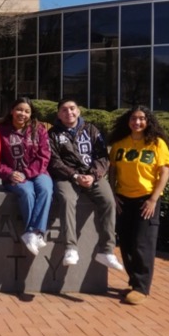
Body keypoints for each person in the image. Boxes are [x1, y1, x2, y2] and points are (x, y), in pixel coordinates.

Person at [107, 106, 169, 305]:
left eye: (141, 119)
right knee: (126, 244)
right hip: (123, 199)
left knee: (142, 244)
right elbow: (112, 171)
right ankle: (134, 282)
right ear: (128, 121)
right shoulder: (119, 144)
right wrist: (113, 194)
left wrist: (153, 199)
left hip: (146, 200)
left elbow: (165, 173)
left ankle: (142, 288)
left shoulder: (156, 144)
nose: (137, 122)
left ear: (148, 121)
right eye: (133, 119)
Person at [48, 99, 125, 271]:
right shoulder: (53, 134)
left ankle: (106, 251)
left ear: (79, 111)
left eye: (72, 108)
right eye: (64, 110)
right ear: (59, 114)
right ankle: (70, 247)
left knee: (108, 201)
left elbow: (103, 156)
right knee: (67, 199)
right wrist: (74, 175)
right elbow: (54, 162)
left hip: (92, 176)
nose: (69, 112)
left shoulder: (91, 130)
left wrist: (93, 175)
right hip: (66, 177)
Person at [0, 97, 53, 257]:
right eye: (19, 109)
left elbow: (44, 155)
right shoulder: (0, 131)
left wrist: (26, 173)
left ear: (31, 114)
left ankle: (33, 232)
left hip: (37, 172)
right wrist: (8, 173)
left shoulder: (39, 129)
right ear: (12, 111)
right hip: (13, 176)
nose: (23, 114)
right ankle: (34, 232)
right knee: (27, 193)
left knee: (46, 189)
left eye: (27, 111)